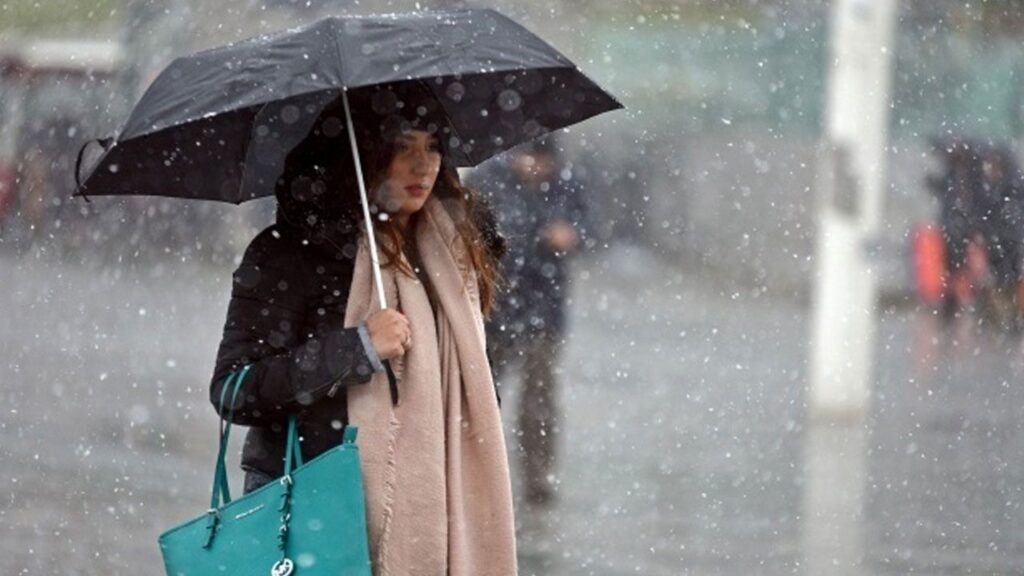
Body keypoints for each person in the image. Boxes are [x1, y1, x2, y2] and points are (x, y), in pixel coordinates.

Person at [209, 87, 516, 575]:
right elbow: (234, 389)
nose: (422, 165)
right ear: (359, 157)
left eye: (433, 147)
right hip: (317, 506)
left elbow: (474, 388)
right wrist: (357, 348)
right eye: (402, 146)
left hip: (434, 508)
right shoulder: (290, 253)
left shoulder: (449, 257)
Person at [466, 136, 586, 506]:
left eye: (546, 163)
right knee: (483, 395)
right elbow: (469, 234)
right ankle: (474, 473)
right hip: (495, 307)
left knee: (539, 399)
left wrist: (573, 237)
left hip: (545, 308)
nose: (538, 169)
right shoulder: (487, 180)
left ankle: (538, 478)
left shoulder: (567, 183)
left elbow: (590, 226)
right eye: (532, 160)